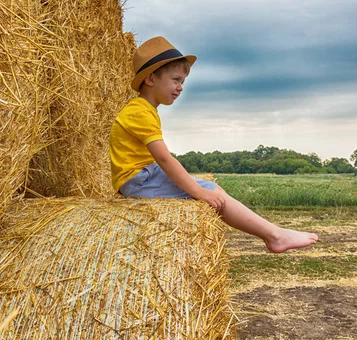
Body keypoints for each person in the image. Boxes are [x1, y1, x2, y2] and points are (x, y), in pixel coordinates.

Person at [109, 36, 318, 253]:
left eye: (182, 82)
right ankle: (275, 236)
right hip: (141, 179)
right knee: (212, 193)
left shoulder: (143, 110)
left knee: (214, 190)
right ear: (151, 79)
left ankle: (274, 233)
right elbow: (164, 159)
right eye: (175, 80)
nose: (180, 87)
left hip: (143, 176)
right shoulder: (140, 112)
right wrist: (200, 192)